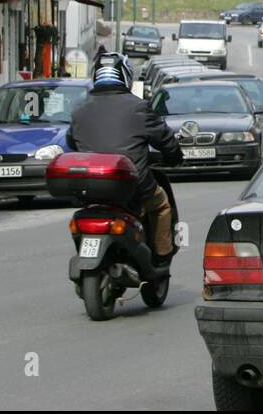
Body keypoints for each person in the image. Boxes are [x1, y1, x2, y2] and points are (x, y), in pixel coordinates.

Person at [66, 52, 184, 264]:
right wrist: (175, 156)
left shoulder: (79, 111)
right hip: (133, 185)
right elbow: (165, 140)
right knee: (161, 206)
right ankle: (162, 258)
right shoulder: (139, 107)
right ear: (126, 76)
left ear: (95, 76)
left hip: (90, 187)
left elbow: (72, 142)